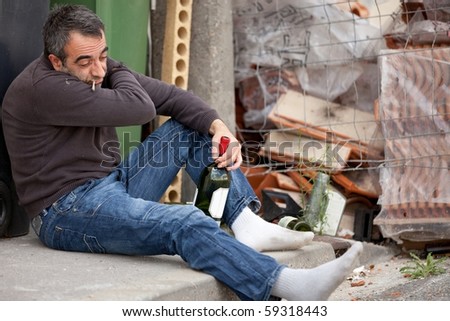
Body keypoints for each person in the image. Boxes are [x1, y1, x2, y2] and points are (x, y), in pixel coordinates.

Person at [2, 4, 362, 301]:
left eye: (104, 57)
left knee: (191, 127)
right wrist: (118, 68)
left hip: (110, 185)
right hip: (67, 212)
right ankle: (286, 287)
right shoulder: (45, 89)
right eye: (86, 61)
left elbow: (172, 98)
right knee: (185, 222)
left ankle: (246, 222)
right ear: (55, 60)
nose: (98, 70)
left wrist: (219, 126)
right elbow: (141, 107)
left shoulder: (90, 72)